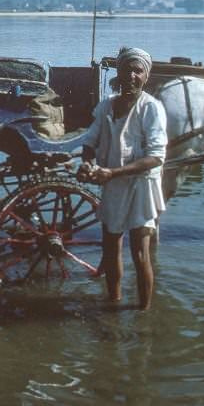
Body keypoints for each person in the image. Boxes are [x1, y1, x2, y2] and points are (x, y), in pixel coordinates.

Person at [77, 46, 167, 310]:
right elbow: (90, 140)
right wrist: (86, 162)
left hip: (142, 186)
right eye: (127, 70)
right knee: (111, 246)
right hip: (114, 184)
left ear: (146, 76)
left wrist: (112, 172)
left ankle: (143, 311)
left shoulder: (151, 108)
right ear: (118, 72)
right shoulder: (106, 105)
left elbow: (156, 157)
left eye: (137, 71)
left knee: (140, 254)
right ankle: (113, 302)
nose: (131, 76)